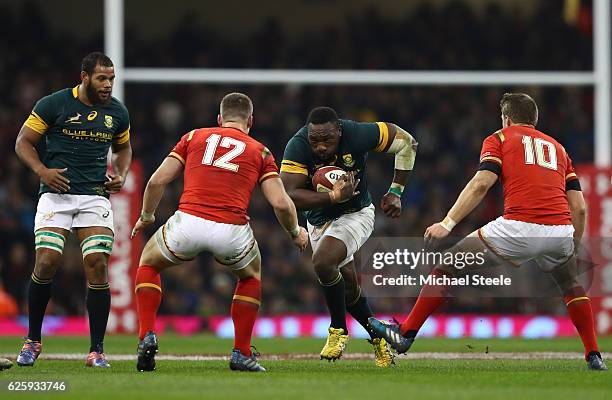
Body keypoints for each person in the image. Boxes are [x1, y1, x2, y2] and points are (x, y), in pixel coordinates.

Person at [369, 93, 607, 371]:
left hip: (518, 227)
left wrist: (447, 223)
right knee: (571, 286)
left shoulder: (500, 138)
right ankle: (593, 355)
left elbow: (482, 184)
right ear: (535, 119)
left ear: (506, 118)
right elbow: (579, 207)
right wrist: (572, 245)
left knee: (447, 267)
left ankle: (406, 333)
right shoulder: (558, 149)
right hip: (560, 231)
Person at [130, 92, 308, 373]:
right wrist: (295, 232)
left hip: (188, 222)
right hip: (231, 230)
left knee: (148, 263)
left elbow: (156, 181)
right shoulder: (260, 151)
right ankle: (242, 353)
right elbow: (281, 202)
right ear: (251, 120)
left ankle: (146, 335)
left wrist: (146, 216)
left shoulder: (193, 137)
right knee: (250, 277)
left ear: (219, 119)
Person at [14, 52, 132, 368]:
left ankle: (96, 350)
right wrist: (42, 171)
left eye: (111, 79)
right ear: (84, 77)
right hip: (56, 195)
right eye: (101, 78)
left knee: (96, 264)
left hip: (94, 196)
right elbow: (23, 142)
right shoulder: (54, 104)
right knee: (48, 261)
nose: (108, 85)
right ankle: (32, 340)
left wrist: (120, 173)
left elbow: (123, 148)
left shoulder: (117, 113)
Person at [280, 107, 417, 367]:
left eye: (327, 140)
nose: (320, 147)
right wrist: (332, 197)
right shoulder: (297, 146)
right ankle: (379, 338)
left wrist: (396, 191)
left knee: (322, 262)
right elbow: (290, 194)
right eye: (315, 141)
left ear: (339, 131)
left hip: (357, 213)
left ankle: (337, 330)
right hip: (319, 220)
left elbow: (407, 143)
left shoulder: (359, 133)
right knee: (350, 287)